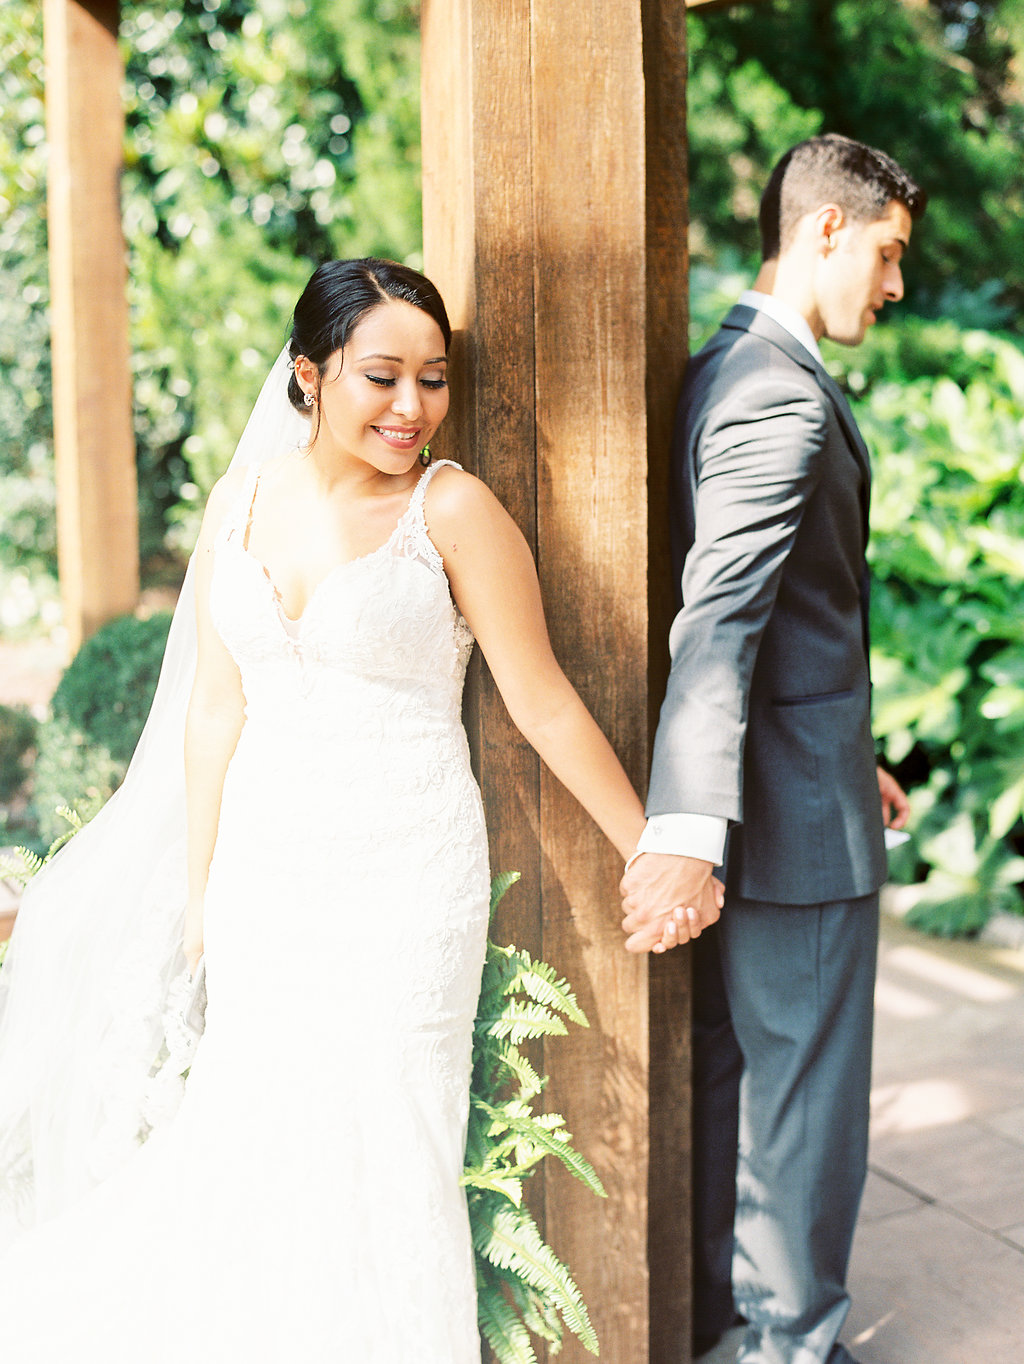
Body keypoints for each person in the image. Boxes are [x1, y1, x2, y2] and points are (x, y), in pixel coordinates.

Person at [0, 258, 655, 1362]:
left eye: (433, 380)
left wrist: (654, 846)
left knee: (387, 1146)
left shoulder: (451, 508)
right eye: (382, 376)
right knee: (258, 1138)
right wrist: (204, 896)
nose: (412, 407)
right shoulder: (239, 502)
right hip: (267, 878)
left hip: (406, 882)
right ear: (308, 375)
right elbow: (215, 708)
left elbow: (540, 698)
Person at [620, 136, 925, 1363]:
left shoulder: (720, 367)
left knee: (743, 1084)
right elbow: (719, 623)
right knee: (803, 1108)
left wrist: (849, 752)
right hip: (782, 831)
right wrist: (685, 832)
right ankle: (791, 1345)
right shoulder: (778, 396)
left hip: (795, 787)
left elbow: (788, 617)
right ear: (825, 231)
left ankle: (734, 1323)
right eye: (889, 254)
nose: (894, 286)